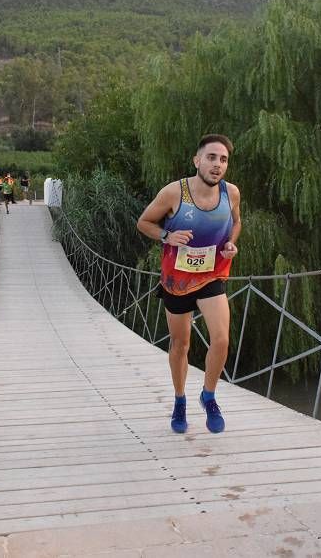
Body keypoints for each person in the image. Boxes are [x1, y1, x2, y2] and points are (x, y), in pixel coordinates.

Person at [136, 134, 241, 434]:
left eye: (223, 160)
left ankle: (208, 396)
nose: (217, 165)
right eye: (211, 157)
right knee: (181, 344)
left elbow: (236, 222)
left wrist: (231, 243)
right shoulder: (173, 193)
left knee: (221, 339)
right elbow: (144, 222)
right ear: (197, 161)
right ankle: (180, 400)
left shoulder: (231, 193)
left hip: (212, 275)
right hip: (176, 281)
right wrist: (168, 237)